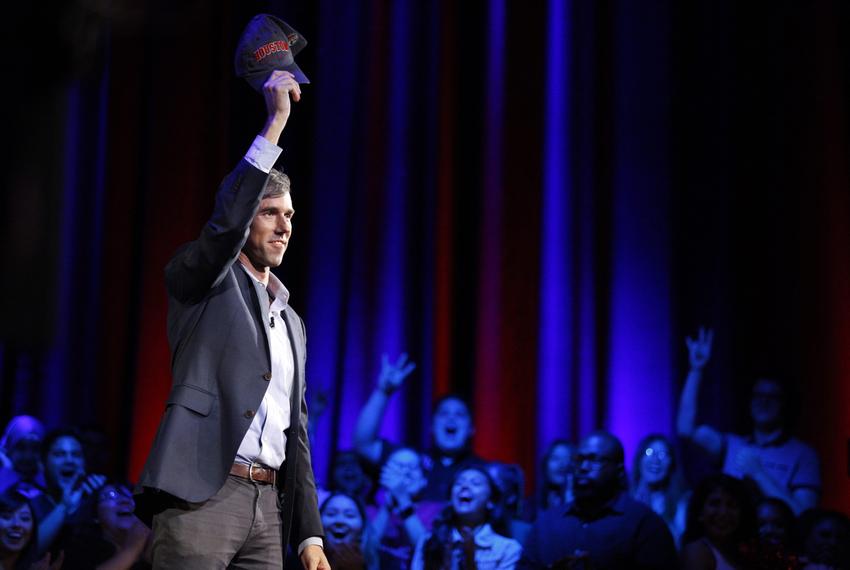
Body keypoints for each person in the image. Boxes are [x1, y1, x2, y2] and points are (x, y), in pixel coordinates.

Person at [134, 18, 328, 568]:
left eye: (290, 215)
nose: (285, 226)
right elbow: (223, 227)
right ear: (247, 220)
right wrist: (275, 123)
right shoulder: (204, 278)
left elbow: (298, 435)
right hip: (202, 497)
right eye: (270, 212)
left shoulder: (292, 320)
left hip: (268, 510)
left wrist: (309, 535)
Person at [676, 327, 821, 514]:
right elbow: (686, 428)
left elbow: (804, 517)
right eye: (758, 395)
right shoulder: (733, 445)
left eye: (772, 397)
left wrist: (759, 474)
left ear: (785, 404)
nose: (763, 402)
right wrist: (696, 369)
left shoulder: (803, 454)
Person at [520, 431, 677, 569]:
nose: (583, 467)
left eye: (594, 460)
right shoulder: (547, 523)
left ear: (619, 470)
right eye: (579, 459)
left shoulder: (644, 524)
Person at [355, 353, 484, 502]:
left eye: (460, 414)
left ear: (471, 429)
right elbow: (364, 444)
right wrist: (382, 392)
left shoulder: (482, 472)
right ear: (431, 426)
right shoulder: (410, 461)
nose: (451, 418)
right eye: (443, 413)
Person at [412, 467, 521, 570]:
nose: (464, 486)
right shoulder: (429, 541)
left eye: (475, 483)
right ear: (450, 498)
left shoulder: (507, 549)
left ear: (491, 501)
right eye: (459, 483)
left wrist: (470, 561)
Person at [29, 429, 106, 557]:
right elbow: (28, 552)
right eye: (59, 454)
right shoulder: (30, 503)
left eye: (76, 454)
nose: (69, 460)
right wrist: (64, 505)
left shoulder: (96, 499)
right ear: (42, 462)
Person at [370, 447, 443, 570]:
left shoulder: (437, 511)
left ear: (424, 479)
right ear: (384, 475)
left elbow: (427, 550)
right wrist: (388, 506)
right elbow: (367, 548)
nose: (405, 472)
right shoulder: (371, 510)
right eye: (398, 466)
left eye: (413, 467)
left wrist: (402, 498)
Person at [61, 482, 152, 569]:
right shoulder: (77, 551)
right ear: (95, 514)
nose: (125, 500)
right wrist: (131, 550)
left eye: (132, 496)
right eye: (111, 495)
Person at [680, 474, 757, 570]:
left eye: (731, 505)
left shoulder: (743, 553)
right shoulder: (697, 551)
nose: (723, 513)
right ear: (700, 512)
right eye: (715, 504)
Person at [630, 434, 688, 545]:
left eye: (663, 454)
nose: (655, 460)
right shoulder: (624, 496)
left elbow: (678, 545)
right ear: (639, 459)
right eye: (649, 452)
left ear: (671, 463)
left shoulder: (681, 502)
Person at [318, 492, 376, 570]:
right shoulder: (300, 560)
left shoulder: (383, 562)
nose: (339, 521)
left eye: (349, 515)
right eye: (331, 514)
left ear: (362, 526)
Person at [526, 439, 574, 521]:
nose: (562, 464)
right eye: (555, 458)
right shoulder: (531, 505)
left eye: (567, 458)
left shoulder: (582, 505)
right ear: (545, 464)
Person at [0, 416, 46, 496]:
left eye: (35, 448)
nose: (28, 455)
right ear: (8, 449)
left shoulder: (49, 486)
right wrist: (6, 473)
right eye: (21, 447)